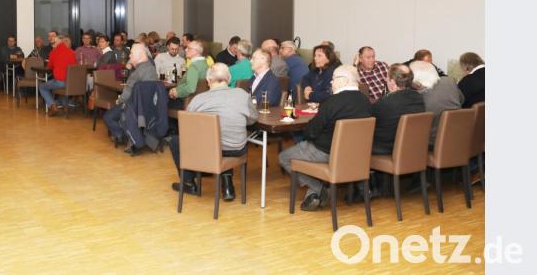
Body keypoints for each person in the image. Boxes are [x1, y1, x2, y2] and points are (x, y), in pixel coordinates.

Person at [278, 65, 372, 211]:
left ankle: (318, 188)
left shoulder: (332, 102)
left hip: (325, 152)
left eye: (333, 79)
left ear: (344, 81)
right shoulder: (366, 101)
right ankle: (315, 191)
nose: (331, 82)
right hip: (356, 155)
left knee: (284, 157)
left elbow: (311, 132)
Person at [170, 63, 258, 200]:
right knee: (224, 139)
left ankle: (188, 183)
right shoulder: (243, 95)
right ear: (228, 79)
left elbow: (188, 127)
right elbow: (253, 119)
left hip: (208, 150)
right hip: (236, 148)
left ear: (208, 81)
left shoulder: (198, 99)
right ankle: (227, 185)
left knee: (176, 141)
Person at [103, 43, 159, 145]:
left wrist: (118, 101)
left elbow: (125, 97)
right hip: (150, 107)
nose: (129, 56)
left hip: (133, 108)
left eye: (132, 54)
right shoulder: (152, 68)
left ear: (140, 55)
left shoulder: (136, 74)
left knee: (108, 116)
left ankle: (122, 134)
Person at [371, 64, 426, 155]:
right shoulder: (419, 98)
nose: (385, 80)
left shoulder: (385, 103)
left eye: (387, 78)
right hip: (411, 148)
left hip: (387, 149)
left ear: (392, 82)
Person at [410, 61, 464, 145]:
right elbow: (462, 99)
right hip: (458, 136)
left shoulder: (419, 99)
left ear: (417, 84)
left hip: (433, 142)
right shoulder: (448, 81)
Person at [39, 35, 78, 116]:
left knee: (42, 87)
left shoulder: (53, 52)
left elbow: (49, 67)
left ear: (58, 42)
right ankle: (64, 105)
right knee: (59, 85)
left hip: (60, 82)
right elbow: (75, 66)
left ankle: (53, 107)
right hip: (71, 82)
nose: (53, 44)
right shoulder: (72, 52)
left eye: (54, 42)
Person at [168, 41, 208, 109]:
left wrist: (177, 92)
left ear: (196, 51)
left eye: (189, 48)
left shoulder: (194, 67)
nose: (185, 50)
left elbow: (191, 88)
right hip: (199, 101)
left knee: (160, 100)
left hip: (187, 102)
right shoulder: (204, 64)